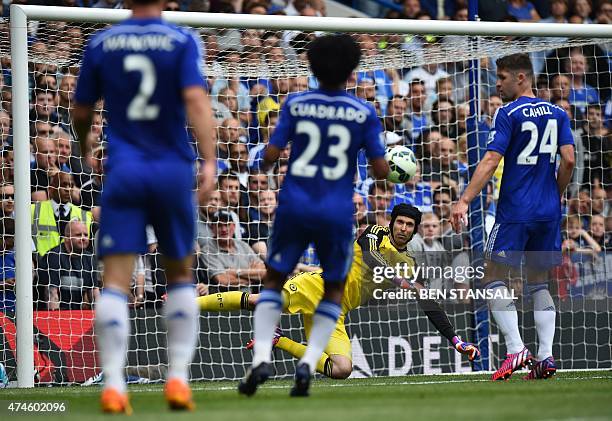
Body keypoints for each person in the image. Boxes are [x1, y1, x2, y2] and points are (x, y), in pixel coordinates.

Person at [72, 0, 216, 413]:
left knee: (116, 280)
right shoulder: (181, 39)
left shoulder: (102, 42)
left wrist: (85, 144)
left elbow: (82, 110)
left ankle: (115, 384)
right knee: (180, 274)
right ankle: (177, 380)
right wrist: (208, 160)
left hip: (125, 170)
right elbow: (196, 100)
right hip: (172, 169)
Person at [239, 34, 389, 398]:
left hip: (295, 205)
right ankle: (307, 365)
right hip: (336, 211)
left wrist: (271, 157)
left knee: (273, 282)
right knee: (333, 290)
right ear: (353, 70)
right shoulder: (363, 112)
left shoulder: (296, 103)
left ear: (311, 66)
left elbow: (271, 155)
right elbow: (382, 170)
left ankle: (261, 357)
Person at [199, 205, 479, 379]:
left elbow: (427, 302)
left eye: (409, 225)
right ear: (392, 222)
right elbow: (370, 256)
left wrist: (456, 341)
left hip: (337, 310)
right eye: (400, 222)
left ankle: (279, 340)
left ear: (415, 230)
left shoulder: (409, 264)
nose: (403, 228)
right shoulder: (375, 233)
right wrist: (397, 279)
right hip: (317, 285)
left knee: (342, 369)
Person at [451, 53, 575, 381]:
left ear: (521, 78)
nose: (498, 84)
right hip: (548, 212)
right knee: (538, 282)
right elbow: (569, 161)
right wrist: (555, 194)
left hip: (515, 212)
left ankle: (516, 347)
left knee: (491, 276)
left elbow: (491, 159)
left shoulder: (508, 112)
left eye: (502, 77)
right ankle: (546, 357)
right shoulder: (559, 113)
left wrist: (464, 200)